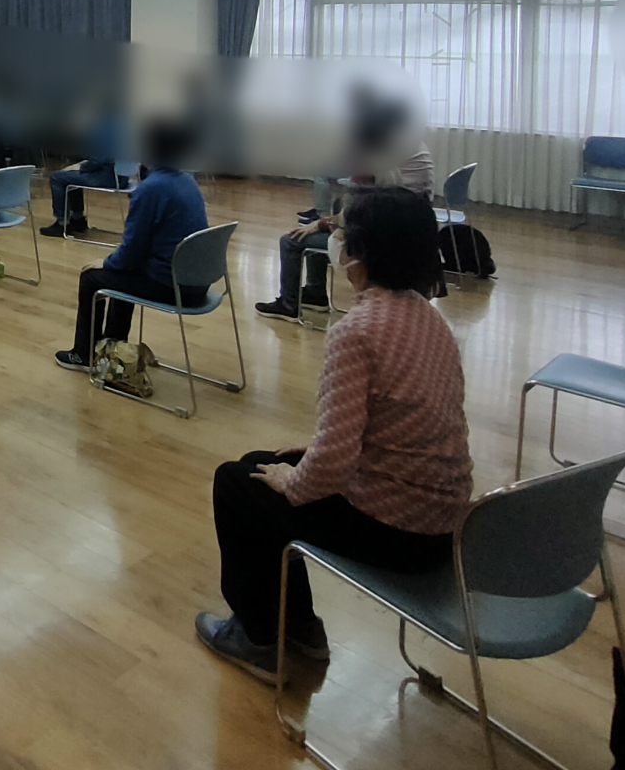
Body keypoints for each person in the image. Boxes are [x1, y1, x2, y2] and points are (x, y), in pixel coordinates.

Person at [196, 186, 471, 682]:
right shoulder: (430, 321)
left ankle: (258, 638)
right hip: (442, 524)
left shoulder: (357, 330)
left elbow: (332, 465)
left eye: (343, 234)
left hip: (396, 530)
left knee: (236, 484)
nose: (336, 242)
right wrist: (306, 460)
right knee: (261, 462)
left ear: (358, 257)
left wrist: (295, 480)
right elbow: (410, 422)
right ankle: (299, 624)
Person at [53, 158, 210, 371]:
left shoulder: (150, 188)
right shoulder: (187, 180)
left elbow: (131, 252)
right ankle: (113, 350)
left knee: (91, 277)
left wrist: (106, 263)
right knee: (124, 275)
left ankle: (83, 354)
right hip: (198, 283)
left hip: (174, 286)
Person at [257, 142, 436, 322]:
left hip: (368, 243)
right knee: (318, 228)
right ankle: (314, 293)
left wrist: (319, 224)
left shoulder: (365, 170)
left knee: (291, 240)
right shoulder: (390, 166)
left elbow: (349, 218)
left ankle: (289, 304)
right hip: (389, 234)